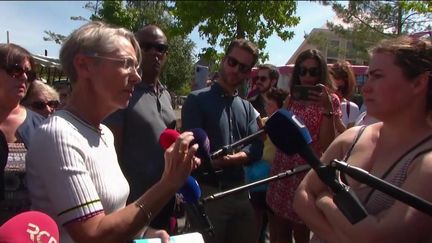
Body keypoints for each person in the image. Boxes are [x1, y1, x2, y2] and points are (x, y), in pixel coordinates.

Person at [26, 21, 200, 243]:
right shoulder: (58, 135)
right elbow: (94, 235)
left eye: (136, 66)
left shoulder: (104, 134)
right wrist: (168, 183)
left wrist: (145, 232)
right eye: (126, 63)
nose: (136, 76)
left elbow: (111, 211)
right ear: (84, 65)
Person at [294, 36, 432, 243]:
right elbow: (301, 196)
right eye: (367, 77)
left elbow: (378, 237)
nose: (365, 88)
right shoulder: (352, 137)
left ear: (419, 82)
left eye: (377, 76)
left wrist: (323, 199)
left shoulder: (426, 160)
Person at [181, 38, 263, 243]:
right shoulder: (196, 100)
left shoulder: (246, 107)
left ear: (248, 73)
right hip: (210, 193)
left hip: (242, 192)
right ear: (224, 60)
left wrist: (230, 160)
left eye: (243, 67)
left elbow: (256, 148)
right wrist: (237, 158)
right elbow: (195, 151)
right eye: (232, 62)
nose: (236, 70)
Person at [104, 24, 178, 233]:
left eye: (161, 48)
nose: (155, 53)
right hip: (133, 203)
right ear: (136, 51)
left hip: (165, 198)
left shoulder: (165, 95)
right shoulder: (123, 94)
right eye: (147, 47)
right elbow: (112, 154)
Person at [266, 49, 343, 243]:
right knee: (278, 229)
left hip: (305, 173)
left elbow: (327, 144)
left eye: (313, 71)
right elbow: (279, 128)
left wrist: (327, 109)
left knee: (301, 233)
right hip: (282, 169)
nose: (307, 76)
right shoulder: (293, 96)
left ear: (321, 73)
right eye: (303, 71)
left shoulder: (330, 100)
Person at [0, 43, 44, 224]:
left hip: (28, 228)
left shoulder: (42, 126)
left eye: (30, 74)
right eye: (16, 70)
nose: (24, 78)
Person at [245, 87, 289, 243]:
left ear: (281, 106)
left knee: (275, 221)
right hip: (259, 178)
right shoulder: (262, 123)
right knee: (256, 215)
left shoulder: (287, 126)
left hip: (276, 178)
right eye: (266, 103)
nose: (266, 107)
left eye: (270, 104)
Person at [330, 61, 361, 128]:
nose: (337, 93)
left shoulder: (351, 108)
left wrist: (338, 123)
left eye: (341, 88)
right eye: (333, 88)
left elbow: (351, 137)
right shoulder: (321, 106)